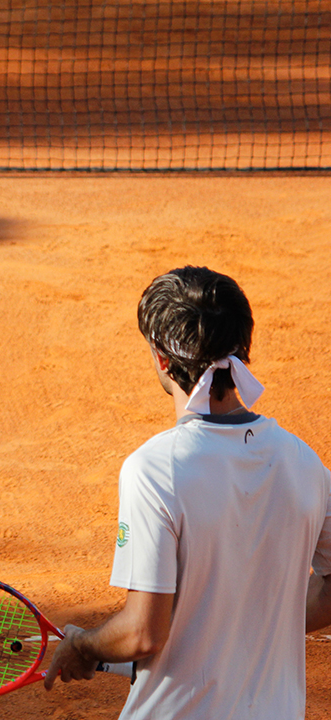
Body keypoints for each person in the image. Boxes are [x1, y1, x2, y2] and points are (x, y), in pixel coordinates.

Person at [44, 266, 331, 718]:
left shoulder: (156, 469)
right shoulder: (305, 463)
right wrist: (247, 627)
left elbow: (142, 633)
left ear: (162, 359)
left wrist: (84, 645)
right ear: (243, 346)